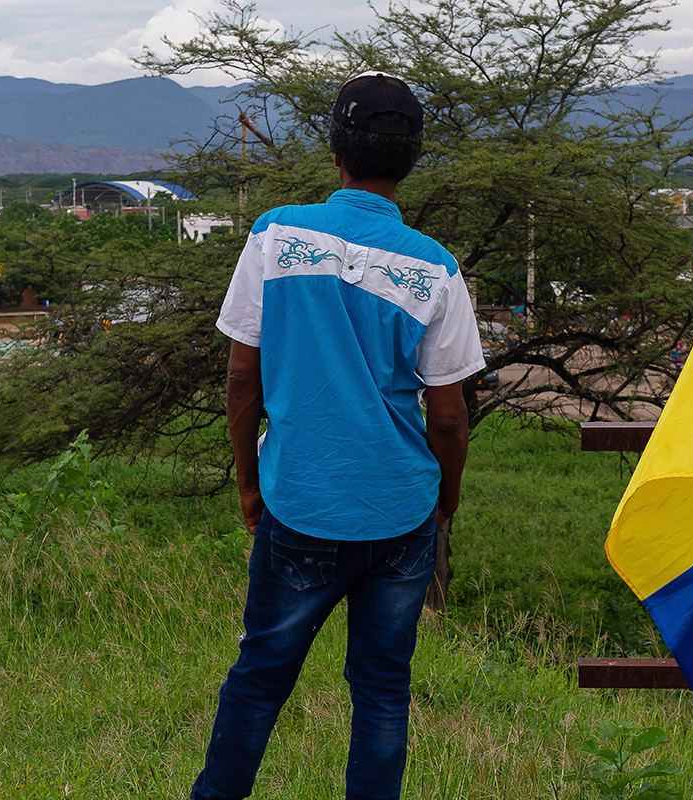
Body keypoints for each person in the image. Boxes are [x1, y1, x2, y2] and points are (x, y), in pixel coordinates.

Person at [193, 72, 484, 800]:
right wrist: (444, 501)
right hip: (401, 512)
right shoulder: (436, 268)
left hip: (300, 501)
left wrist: (249, 482)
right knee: (382, 690)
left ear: (335, 152)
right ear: (413, 158)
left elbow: (241, 376)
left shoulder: (277, 236)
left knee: (259, 678)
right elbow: (449, 417)